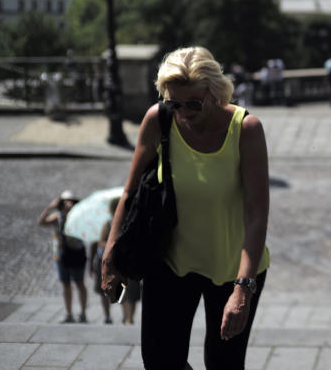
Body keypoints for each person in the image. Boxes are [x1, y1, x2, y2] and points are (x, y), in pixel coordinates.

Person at [101, 46, 271, 370]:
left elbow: (257, 214)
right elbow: (129, 193)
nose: (183, 112)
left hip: (232, 269)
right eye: (174, 102)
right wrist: (109, 257)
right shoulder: (159, 120)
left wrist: (243, 288)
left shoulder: (246, 130)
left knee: (223, 364)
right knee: (159, 361)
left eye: (193, 103)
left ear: (215, 91)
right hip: (170, 262)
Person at [38, 190, 88, 323]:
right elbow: (41, 222)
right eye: (65, 201)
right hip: (60, 254)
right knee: (65, 284)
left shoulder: (79, 216)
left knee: (79, 283)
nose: (68, 203)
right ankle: (69, 313)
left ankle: (83, 313)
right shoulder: (57, 216)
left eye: (71, 201)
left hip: (77, 253)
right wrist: (50, 207)